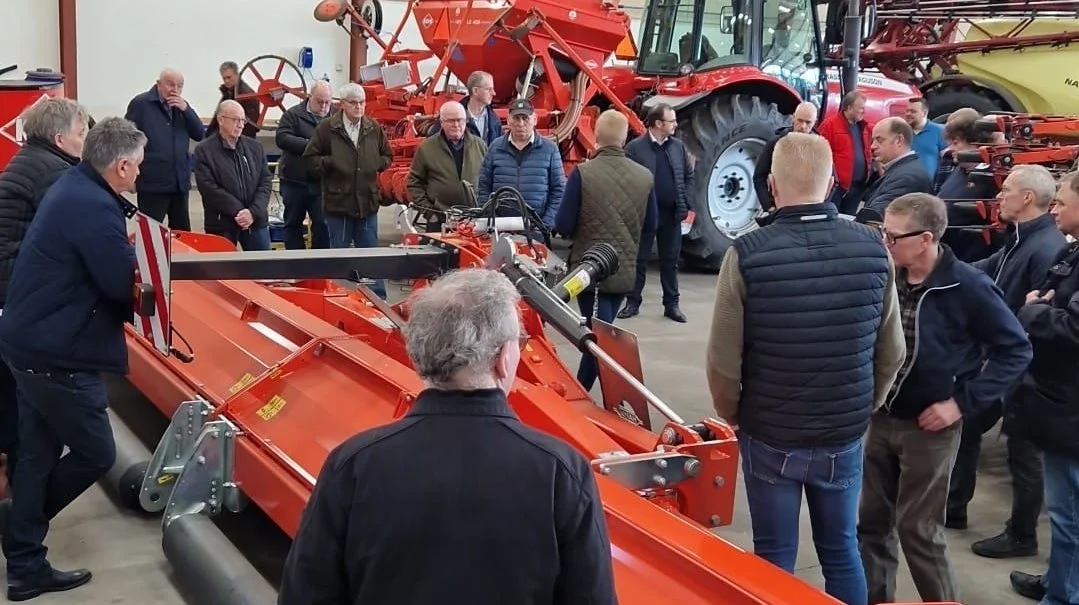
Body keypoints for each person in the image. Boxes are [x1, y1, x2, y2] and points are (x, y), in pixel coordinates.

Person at [278, 268, 616, 605]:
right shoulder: (561, 471)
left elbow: (305, 595)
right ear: (502, 359)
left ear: (418, 354)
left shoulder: (353, 465)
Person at [706, 132, 905, 605]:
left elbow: (722, 359)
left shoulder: (746, 255)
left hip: (770, 432)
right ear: (833, 182)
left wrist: (733, 412)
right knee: (841, 551)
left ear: (771, 185)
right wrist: (865, 403)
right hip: (842, 432)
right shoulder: (874, 249)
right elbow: (892, 349)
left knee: (774, 553)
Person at [858, 193, 1032, 605]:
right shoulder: (888, 276)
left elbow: (1017, 350)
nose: (886, 243)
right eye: (884, 232)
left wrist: (960, 403)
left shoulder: (969, 287)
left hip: (929, 429)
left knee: (919, 530)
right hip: (880, 418)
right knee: (872, 526)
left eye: (894, 236)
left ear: (927, 238)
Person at [0, 117, 143, 601]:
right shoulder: (93, 207)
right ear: (121, 166)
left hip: (27, 342)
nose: (140, 176)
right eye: (138, 168)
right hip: (55, 354)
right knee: (97, 452)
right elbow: (119, 281)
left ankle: (24, 564)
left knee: (37, 454)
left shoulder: (73, 185)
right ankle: (21, 525)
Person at [947, 164, 1065, 549]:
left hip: (1020, 369)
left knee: (1023, 450)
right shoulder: (1020, 240)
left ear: (1028, 198)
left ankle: (1022, 534)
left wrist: (1003, 358)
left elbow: (1040, 316)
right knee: (969, 425)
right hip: (1006, 361)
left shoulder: (1045, 247)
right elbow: (988, 271)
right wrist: (941, 264)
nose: (999, 196)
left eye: (1008, 190)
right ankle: (954, 506)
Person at [0, 98, 89, 498]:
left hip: (8, 296)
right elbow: (74, 239)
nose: (85, 142)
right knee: (32, 420)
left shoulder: (26, 160)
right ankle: (22, 508)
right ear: (60, 138)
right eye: (81, 133)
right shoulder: (55, 174)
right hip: (21, 301)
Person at [1006, 171, 1079, 605]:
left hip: (1072, 410)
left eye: (1064, 200)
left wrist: (1033, 312)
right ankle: (1057, 580)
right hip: (1060, 401)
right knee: (1063, 511)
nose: (1056, 207)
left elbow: (1074, 327)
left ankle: (1063, 596)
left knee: (1068, 515)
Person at [554, 109, 657, 391]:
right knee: (603, 331)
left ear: (596, 137)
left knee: (596, 335)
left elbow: (563, 223)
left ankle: (586, 393)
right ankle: (598, 394)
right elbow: (652, 224)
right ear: (625, 139)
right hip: (624, 269)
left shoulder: (583, 174)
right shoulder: (645, 177)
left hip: (588, 273)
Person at [302, 83, 393, 298]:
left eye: (362, 102)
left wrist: (375, 163)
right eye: (354, 103)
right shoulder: (327, 129)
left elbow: (387, 156)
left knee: (369, 253)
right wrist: (332, 163)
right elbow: (309, 159)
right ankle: (338, 296)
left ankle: (376, 297)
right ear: (342, 104)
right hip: (338, 203)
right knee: (339, 254)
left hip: (367, 202)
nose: (359, 107)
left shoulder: (373, 128)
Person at [617, 102, 693, 323]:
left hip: (671, 214)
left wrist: (686, 201)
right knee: (639, 260)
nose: (676, 124)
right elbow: (626, 182)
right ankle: (632, 302)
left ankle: (672, 305)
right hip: (645, 215)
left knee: (670, 261)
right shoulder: (634, 149)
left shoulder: (677, 147)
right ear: (658, 123)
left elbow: (689, 176)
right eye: (672, 121)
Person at [123, 68, 205, 230]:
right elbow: (126, 139)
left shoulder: (181, 108)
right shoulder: (141, 104)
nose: (175, 90)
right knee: (150, 233)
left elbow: (199, 134)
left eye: (179, 86)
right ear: (158, 84)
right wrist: (129, 176)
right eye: (170, 84)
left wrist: (187, 110)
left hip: (179, 183)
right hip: (153, 183)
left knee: (182, 234)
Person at [475, 98, 565, 237]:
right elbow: (483, 186)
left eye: (525, 118)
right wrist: (489, 218)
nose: (521, 123)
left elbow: (559, 190)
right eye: (516, 118)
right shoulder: (495, 147)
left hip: (535, 230)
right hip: (499, 229)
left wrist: (545, 225)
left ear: (534, 120)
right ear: (509, 120)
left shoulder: (549, 150)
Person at [193, 100, 273, 250]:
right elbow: (208, 188)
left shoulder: (255, 148)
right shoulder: (204, 150)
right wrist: (239, 211)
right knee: (222, 270)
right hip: (221, 222)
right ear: (221, 119)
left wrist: (252, 212)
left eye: (243, 120)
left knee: (264, 269)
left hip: (255, 220)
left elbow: (265, 181)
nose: (241, 125)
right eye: (236, 120)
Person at [407, 101, 488, 232]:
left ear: (466, 121)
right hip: (440, 221)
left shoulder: (479, 145)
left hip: (473, 221)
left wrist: (484, 210)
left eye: (460, 120)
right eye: (451, 121)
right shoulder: (427, 148)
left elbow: (488, 180)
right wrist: (429, 213)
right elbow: (414, 182)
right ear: (442, 122)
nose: (456, 125)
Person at [275, 80, 333, 250]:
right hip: (294, 181)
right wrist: (311, 145)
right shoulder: (292, 115)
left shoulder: (336, 116)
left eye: (327, 102)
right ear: (309, 97)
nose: (323, 106)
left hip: (322, 182)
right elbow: (282, 138)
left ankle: (319, 267)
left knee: (323, 224)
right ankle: (296, 266)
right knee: (293, 224)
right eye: (319, 101)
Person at [856, 117, 934, 223]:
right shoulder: (903, 171)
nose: (872, 146)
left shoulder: (907, 178)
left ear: (899, 140)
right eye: (873, 140)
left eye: (879, 140)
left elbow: (875, 218)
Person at [753, 101, 819, 212]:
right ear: (793, 118)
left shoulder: (819, 147)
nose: (803, 126)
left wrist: (818, 204)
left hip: (807, 210)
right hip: (780, 208)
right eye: (800, 120)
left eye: (808, 122)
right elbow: (759, 177)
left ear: (814, 123)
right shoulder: (775, 143)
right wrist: (769, 206)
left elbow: (832, 180)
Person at [817, 91, 873, 215]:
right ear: (849, 108)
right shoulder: (829, 125)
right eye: (861, 108)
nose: (864, 111)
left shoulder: (865, 127)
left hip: (858, 188)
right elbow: (819, 154)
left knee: (849, 220)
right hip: (836, 188)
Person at [430, 71, 502, 145]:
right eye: (489, 89)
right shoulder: (451, 115)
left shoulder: (495, 121)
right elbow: (433, 143)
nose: (494, 93)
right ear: (475, 91)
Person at [206, 61, 259, 138]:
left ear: (237, 75)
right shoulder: (229, 92)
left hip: (238, 140)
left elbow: (252, 125)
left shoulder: (247, 95)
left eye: (229, 77)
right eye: (224, 78)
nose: (226, 81)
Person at [905, 98, 948, 178]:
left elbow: (947, 161)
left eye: (913, 111)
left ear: (924, 113)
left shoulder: (940, 131)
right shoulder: (902, 133)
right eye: (907, 111)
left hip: (930, 187)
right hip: (905, 184)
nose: (908, 114)